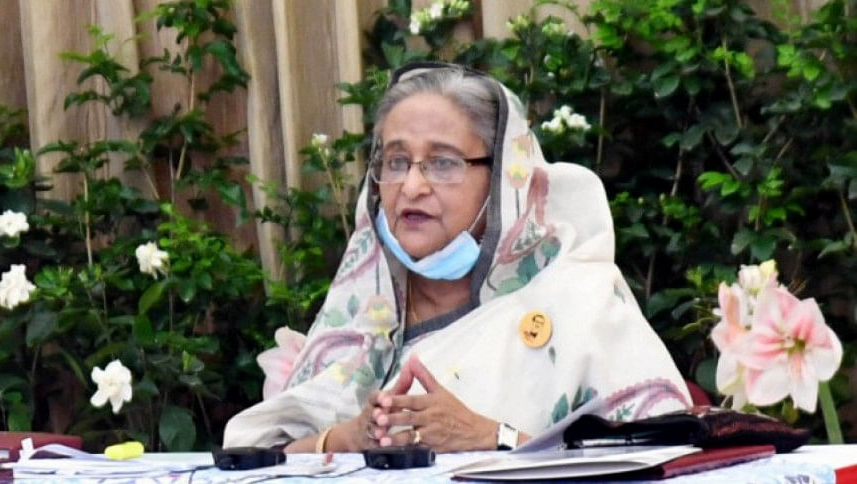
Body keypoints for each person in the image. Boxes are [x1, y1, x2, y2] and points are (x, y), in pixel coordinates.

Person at [223, 63, 691, 453]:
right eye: (396, 162)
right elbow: (257, 459)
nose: (412, 187)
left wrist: (492, 437)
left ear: (504, 180)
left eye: (443, 163)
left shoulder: (580, 304)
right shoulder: (362, 322)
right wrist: (344, 439)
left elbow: (668, 459)